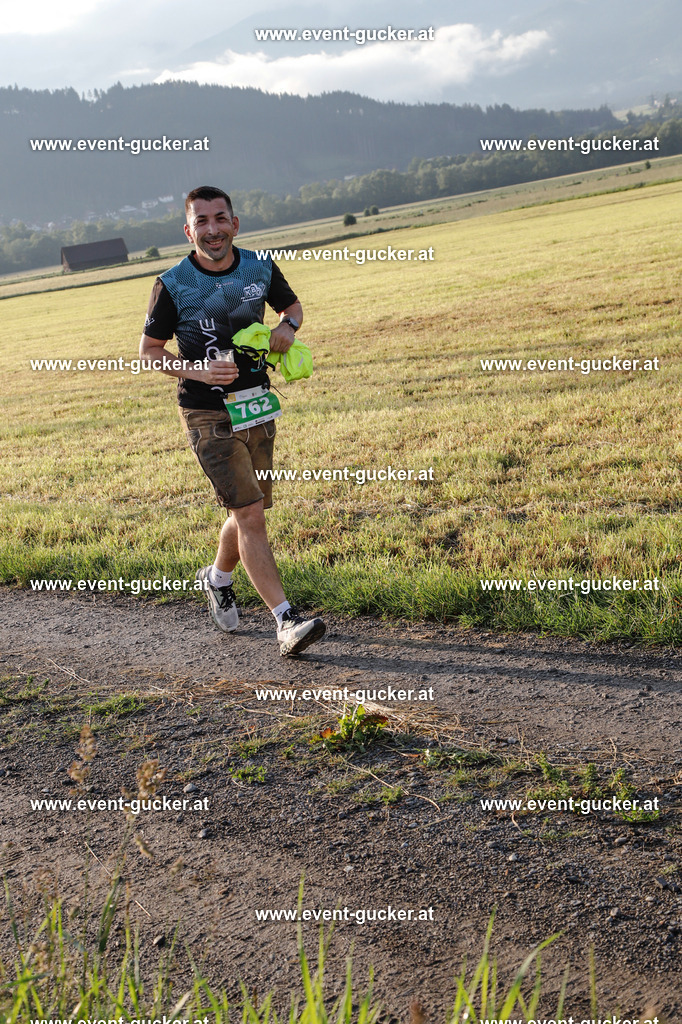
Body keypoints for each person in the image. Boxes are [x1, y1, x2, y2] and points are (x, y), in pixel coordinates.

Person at [139, 185, 325, 656]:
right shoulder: (172, 282)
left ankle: (217, 577)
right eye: (201, 221)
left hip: (257, 404)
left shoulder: (260, 267)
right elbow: (150, 354)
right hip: (207, 413)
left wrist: (288, 327)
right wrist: (196, 368)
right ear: (189, 230)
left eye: (220, 218)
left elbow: (293, 307)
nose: (213, 228)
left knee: (250, 509)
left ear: (234, 224)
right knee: (248, 514)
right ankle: (286, 622)